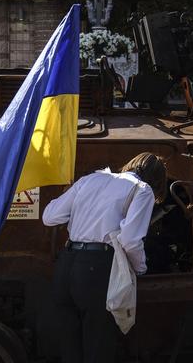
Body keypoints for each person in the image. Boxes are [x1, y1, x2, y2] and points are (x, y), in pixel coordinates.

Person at [42, 152, 167, 363]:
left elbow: (49, 216)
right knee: (98, 346)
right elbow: (130, 240)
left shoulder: (90, 179)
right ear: (157, 181)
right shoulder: (142, 190)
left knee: (70, 347)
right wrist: (140, 268)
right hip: (97, 269)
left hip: (66, 264)